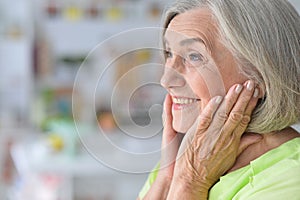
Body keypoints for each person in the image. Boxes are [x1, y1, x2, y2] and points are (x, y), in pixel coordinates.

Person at [137, 0, 300, 199]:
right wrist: (167, 178)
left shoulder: (290, 178)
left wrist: (190, 182)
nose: (166, 80)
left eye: (194, 56)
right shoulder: (185, 157)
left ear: (261, 75)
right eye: (169, 53)